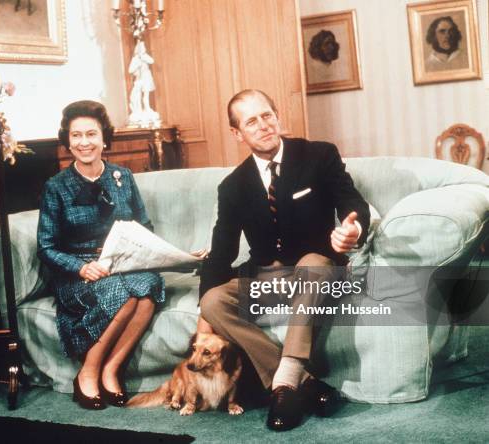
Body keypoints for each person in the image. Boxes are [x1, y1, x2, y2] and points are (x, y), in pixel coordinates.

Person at [197, 89, 370, 431]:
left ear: (277, 116)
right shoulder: (232, 186)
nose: (263, 126)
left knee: (313, 265)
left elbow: (352, 202)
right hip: (268, 276)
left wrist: (354, 229)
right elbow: (222, 252)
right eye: (251, 121)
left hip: (317, 269)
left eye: (267, 115)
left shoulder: (318, 155)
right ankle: (306, 384)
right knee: (214, 301)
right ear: (237, 133)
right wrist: (203, 314)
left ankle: (284, 384)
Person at [37, 100, 165, 410]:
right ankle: (88, 373)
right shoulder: (56, 186)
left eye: (91, 134)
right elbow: (47, 246)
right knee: (126, 294)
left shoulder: (122, 177)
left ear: (104, 138)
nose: (84, 143)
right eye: (76, 135)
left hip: (121, 264)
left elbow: (143, 226)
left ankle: (110, 370)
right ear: (68, 141)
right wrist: (81, 268)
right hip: (78, 274)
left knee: (149, 286)